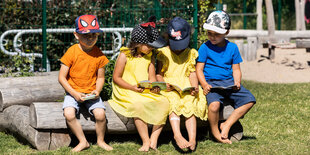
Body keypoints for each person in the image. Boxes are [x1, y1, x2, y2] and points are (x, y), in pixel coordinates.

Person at [108, 17, 169, 152]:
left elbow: (152, 77)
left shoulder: (150, 56)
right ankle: (145, 141)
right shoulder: (125, 55)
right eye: (149, 45)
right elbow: (116, 78)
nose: (151, 48)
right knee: (138, 105)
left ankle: (153, 139)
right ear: (138, 43)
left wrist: (155, 87)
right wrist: (132, 88)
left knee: (164, 102)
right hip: (126, 89)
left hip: (143, 89)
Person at [196, 11, 256, 144]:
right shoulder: (204, 48)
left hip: (229, 83)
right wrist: (204, 84)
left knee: (250, 100)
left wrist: (237, 81)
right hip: (212, 84)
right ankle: (215, 131)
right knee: (214, 106)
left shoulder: (232, 48)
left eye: (216, 34)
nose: (212, 37)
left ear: (226, 32)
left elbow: (236, 69)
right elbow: (199, 69)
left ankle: (227, 124)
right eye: (209, 33)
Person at [58, 15, 113, 152]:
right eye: (85, 35)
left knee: (100, 114)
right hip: (73, 92)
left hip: (91, 93)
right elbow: (61, 78)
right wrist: (74, 93)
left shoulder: (99, 54)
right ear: (76, 35)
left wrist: (98, 91)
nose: (90, 38)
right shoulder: (72, 52)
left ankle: (100, 140)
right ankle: (83, 141)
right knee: (69, 114)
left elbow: (100, 78)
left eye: (93, 35)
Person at [156, 17, 208, 151]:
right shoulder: (164, 53)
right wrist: (162, 84)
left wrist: (195, 86)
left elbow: (192, 72)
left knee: (190, 103)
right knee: (173, 102)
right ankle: (177, 135)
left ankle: (192, 139)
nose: (178, 49)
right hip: (169, 86)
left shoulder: (190, 53)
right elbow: (159, 74)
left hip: (185, 85)